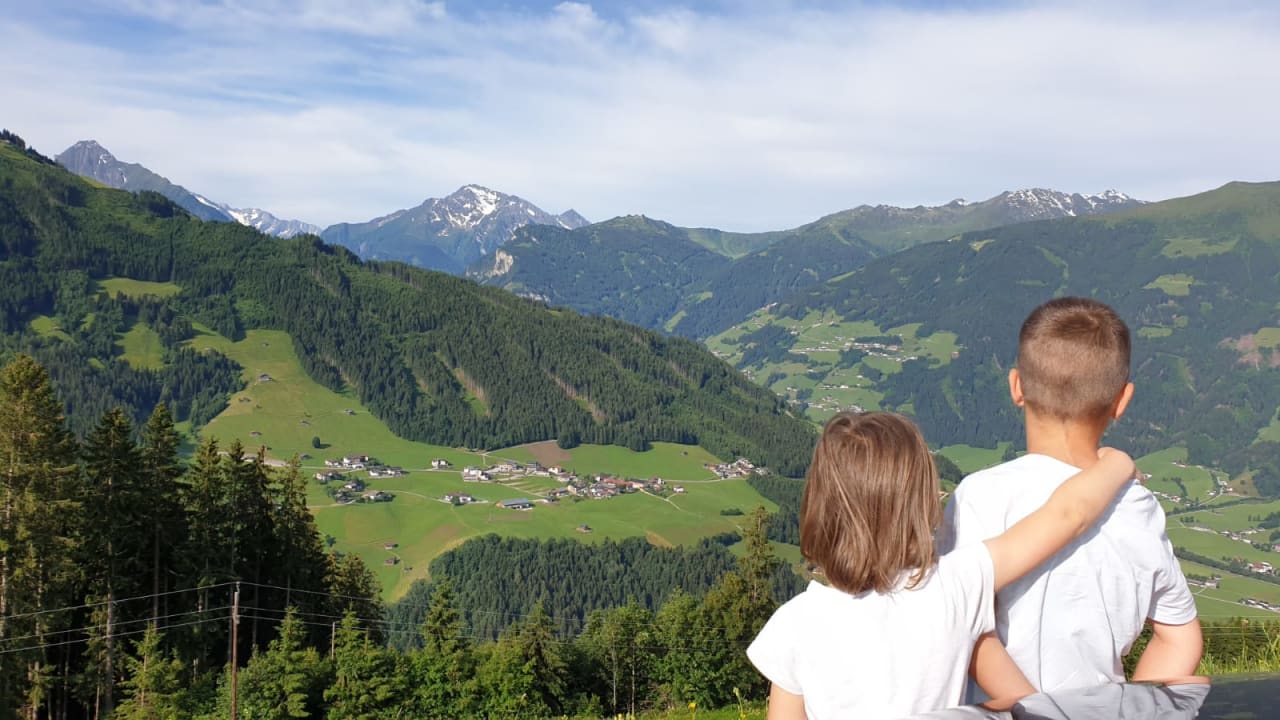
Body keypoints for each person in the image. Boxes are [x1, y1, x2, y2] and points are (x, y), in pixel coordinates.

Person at [746, 411, 1137, 719]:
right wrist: (1117, 464)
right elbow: (1068, 515)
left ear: (819, 505)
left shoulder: (796, 622)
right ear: (919, 502)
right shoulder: (958, 585)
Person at [937, 297, 1202, 696]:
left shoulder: (979, 496)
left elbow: (958, 624)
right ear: (1122, 401)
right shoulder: (1139, 508)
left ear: (1016, 386)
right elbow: (1179, 638)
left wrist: (1033, 710)